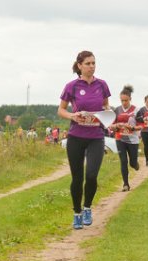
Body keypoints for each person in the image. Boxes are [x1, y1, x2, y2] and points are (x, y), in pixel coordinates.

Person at [57, 50, 111, 230]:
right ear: (79, 65)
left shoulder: (102, 85)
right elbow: (61, 110)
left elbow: (106, 106)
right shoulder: (71, 86)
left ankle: (87, 207)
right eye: (88, 63)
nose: (91, 66)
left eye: (94, 63)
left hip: (96, 136)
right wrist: (73, 116)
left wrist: (105, 115)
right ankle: (77, 212)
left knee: (92, 175)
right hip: (76, 137)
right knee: (77, 178)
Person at [109, 85, 141, 192]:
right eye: (122, 100)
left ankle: (135, 164)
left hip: (132, 140)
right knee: (123, 161)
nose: (124, 103)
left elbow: (141, 125)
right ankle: (126, 184)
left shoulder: (136, 110)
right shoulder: (117, 110)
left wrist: (132, 127)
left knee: (132, 163)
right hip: (120, 139)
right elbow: (111, 126)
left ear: (130, 99)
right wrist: (116, 126)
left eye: (126, 100)